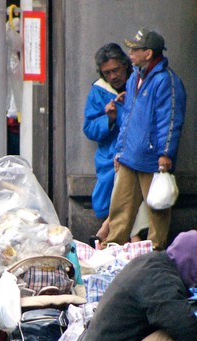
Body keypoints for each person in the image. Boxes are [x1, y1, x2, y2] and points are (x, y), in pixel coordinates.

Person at [103, 28, 187, 251]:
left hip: (152, 158)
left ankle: (156, 251)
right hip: (130, 155)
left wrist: (165, 153)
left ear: (148, 53)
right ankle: (113, 248)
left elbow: (169, 120)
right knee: (119, 207)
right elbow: (127, 117)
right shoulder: (134, 79)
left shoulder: (166, 81)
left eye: (135, 49)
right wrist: (119, 150)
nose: (130, 52)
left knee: (157, 208)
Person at [82, 43, 146, 246]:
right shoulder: (98, 92)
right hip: (108, 157)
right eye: (107, 73)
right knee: (108, 200)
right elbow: (89, 128)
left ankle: (110, 238)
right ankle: (114, 240)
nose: (113, 77)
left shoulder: (140, 84)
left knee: (131, 199)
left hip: (135, 153)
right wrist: (108, 119)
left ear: (125, 66)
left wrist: (124, 112)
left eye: (116, 70)